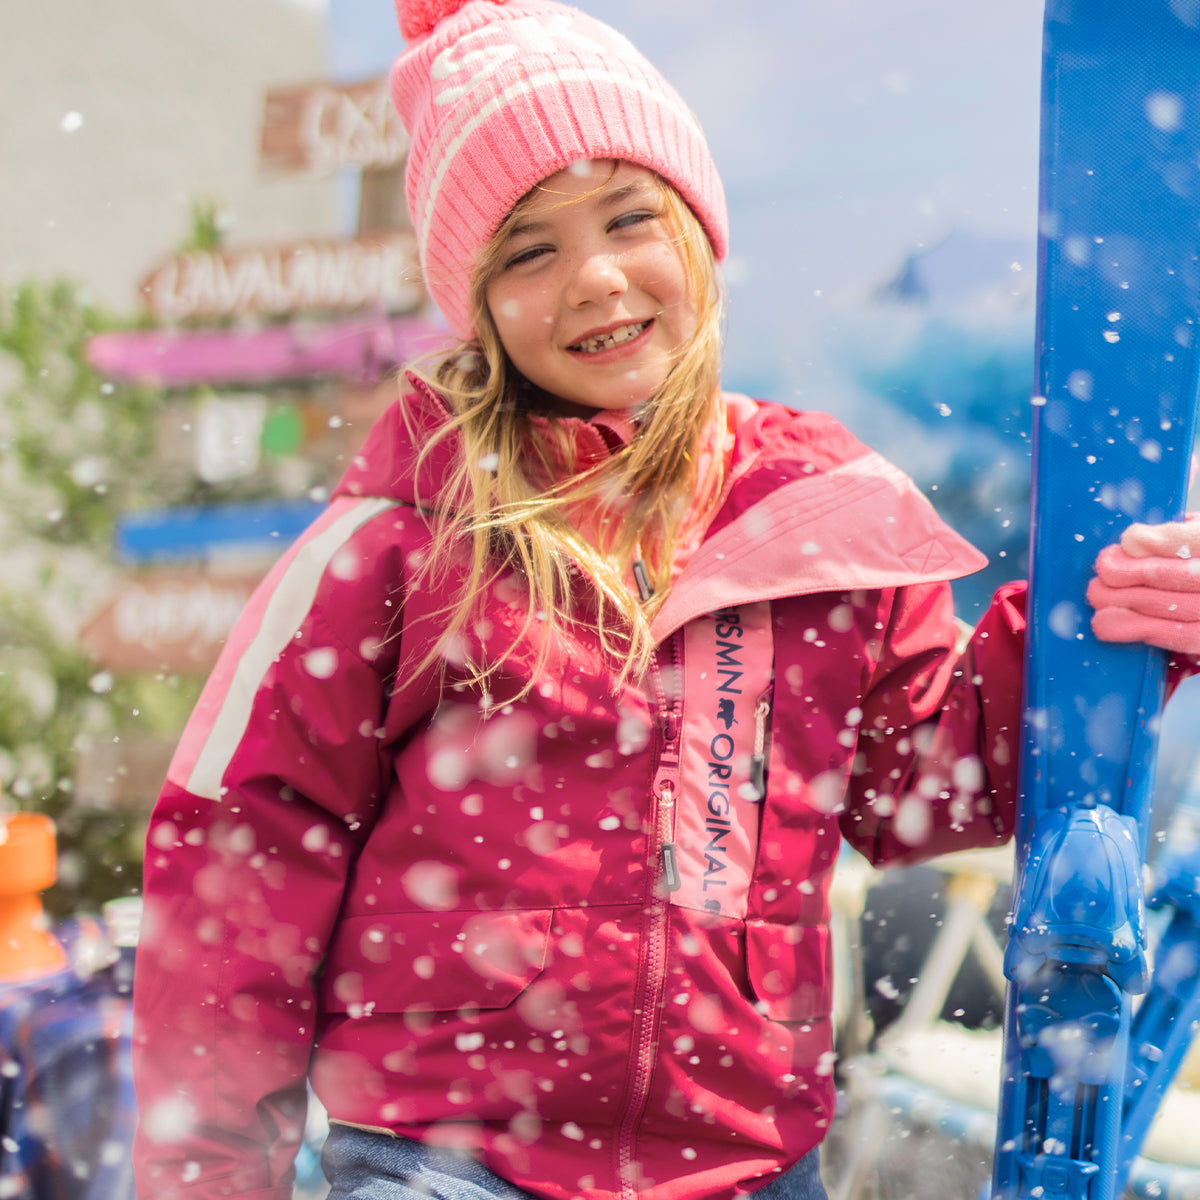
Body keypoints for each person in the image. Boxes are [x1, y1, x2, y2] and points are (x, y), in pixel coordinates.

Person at [129, 2, 1200, 1198]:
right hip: (449, 1162)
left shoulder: (813, 513)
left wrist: (1115, 628)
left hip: (743, 1166)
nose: (593, 277)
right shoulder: (407, 537)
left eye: (630, 216)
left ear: (699, 229)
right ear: (475, 303)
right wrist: (209, 1172)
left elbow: (923, 781)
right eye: (527, 250)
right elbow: (241, 861)